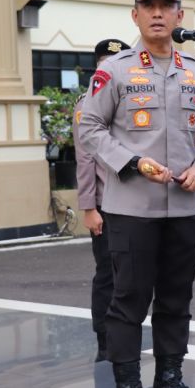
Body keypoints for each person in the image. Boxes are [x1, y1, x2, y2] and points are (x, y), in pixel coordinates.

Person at [79, 0, 195, 388]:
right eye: (149, 6)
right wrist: (133, 162)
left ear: (181, 15)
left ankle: (170, 382)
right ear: (135, 15)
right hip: (131, 209)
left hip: (184, 207)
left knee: (177, 298)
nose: (158, 13)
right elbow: (90, 130)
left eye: (167, 5)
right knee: (128, 300)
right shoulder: (115, 70)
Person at [72, 38, 130, 363]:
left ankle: (124, 335)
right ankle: (104, 342)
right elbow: (85, 160)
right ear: (98, 66)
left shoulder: (129, 99)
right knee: (107, 273)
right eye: (107, 61)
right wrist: (89, 208)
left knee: (131, 274)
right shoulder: (87, 104)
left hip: (132, 201)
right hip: (105, 205)